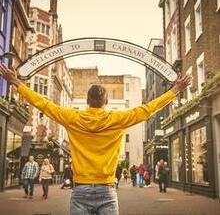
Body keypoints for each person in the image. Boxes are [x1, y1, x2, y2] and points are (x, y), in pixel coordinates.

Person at [0, 64, 191, 215]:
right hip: (107, 189)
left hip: (81, 189)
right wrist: (175, 90)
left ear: (87, 101)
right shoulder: (118, 119)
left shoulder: (72, 117)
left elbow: (43, 104)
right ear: (106, 103)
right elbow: (147, 109)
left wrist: (16, 82)